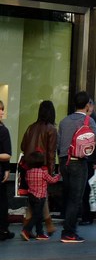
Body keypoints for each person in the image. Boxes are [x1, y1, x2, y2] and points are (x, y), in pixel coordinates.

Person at [56, 91, 96, 243]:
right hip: (79, 161)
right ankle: (69, 231)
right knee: (76, 199)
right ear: (87, 104)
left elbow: (59, 144)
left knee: (68, 195)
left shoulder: (64, 121)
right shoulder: (88, 121)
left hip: (64, 161)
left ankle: (68, 228)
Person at [19, 100, 58, 236]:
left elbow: (23, 146)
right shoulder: (51, 129)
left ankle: (31, 226)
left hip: (28, 167)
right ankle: (45, 226)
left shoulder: (31, 127)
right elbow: (51, 153)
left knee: (33, 197)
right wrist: (51, 172)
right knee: (42, 197)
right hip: (43, 168)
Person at [21, 150, 60, 241]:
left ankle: (40, 233)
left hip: (31, 196)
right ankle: (26, 230)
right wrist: (59, 175)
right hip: (40, 197)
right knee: (37, 215)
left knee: (37, 215)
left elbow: (27, 181)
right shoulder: (42, 172)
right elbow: (52, 181)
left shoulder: (28, 172)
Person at [0, 100, 12, 240]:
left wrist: (7, 168)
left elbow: (7, 154)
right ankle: (3, 229)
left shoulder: (3, 130)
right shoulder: (3, 130)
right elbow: (7, 153)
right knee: (2, 201)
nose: (2, 112)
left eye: (2, 109)